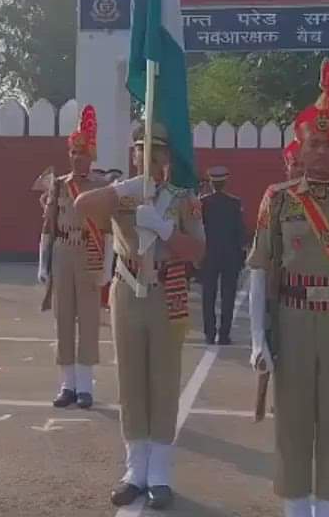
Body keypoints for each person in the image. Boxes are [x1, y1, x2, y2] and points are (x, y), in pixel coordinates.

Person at [248, 59, 329, 517]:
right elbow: (260, 270)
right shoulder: (279, 198)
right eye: (315, 144)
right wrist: (255, 338)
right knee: (293, 422)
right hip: (292, 319)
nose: (323, 151)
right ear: (299, 149)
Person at [75, 122, 206, 511]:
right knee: (131, 380)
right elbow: (82, 206)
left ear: (167, 158)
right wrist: (124, 189)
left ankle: (160, 473)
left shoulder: (184, 200)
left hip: (168, 291)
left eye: (155, 151)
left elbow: (198, 252)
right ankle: (135, 470)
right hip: (128, 289)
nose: (147, 157)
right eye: (140, 150)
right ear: (132, 154)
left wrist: (163, 226)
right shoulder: (122, 196)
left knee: (163, 382)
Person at [38, 105, 112, 408]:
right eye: (73, 153)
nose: (77, 158)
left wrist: (107, 266)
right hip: (63, 252)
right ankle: (66, 385)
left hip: (90, 253)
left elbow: (107, 231)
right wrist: (43, 263)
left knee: (89, 320)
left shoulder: (101, 186)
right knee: (63, 319)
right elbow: (48, 225)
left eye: (82, 153)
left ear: (91, 156)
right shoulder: (58, 185)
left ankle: (85, 386)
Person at [200, 166, 244, 345]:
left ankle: (209, 334)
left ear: (211, 183)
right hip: (230, 255)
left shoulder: (203, 202)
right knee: (228, 295)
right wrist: (241, 254)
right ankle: (224, 334)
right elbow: (240, 231)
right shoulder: (235, 203)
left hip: (208, 254)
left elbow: (199, 230)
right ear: (225, 183)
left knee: (208, 295)